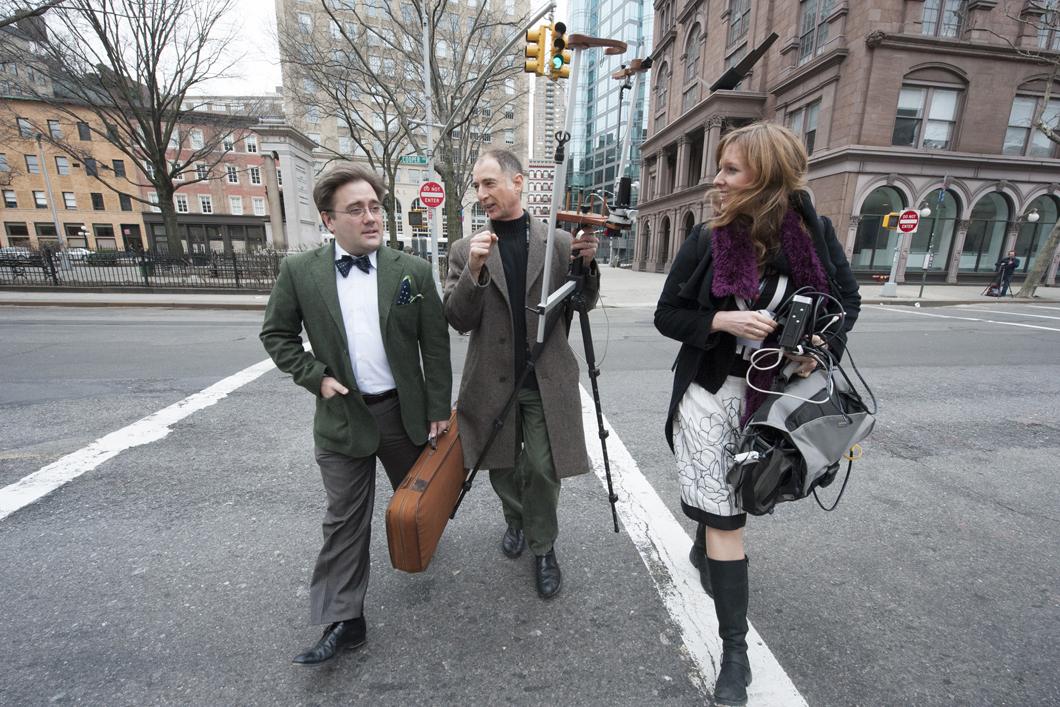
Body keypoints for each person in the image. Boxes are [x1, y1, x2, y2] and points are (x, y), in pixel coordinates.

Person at [654, 122, 861, 706]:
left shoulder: (814, 235)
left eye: (731, 170)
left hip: (773, 399)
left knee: (737, 496)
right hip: (711, 389)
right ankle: (735, 651)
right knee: (728, 521)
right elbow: (668, 315)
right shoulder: (706, 238)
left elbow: (846, 302)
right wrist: (721, 321)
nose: (716, 180)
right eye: (720, 167)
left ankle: (707, 535)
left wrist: (817, 351)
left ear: (766, 176)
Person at [260, 163, 452, 665]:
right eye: (356, 210)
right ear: (329, 220)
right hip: (342, 416)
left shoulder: (412, 270)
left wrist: (437, 408)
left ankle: (422, 541)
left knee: (424, 500)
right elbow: (276, 336)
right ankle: (346, 620)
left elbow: (434, 346)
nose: (371, 218)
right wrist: (314, 376)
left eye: (374, 207)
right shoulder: (299, 273)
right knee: (344, 521)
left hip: (401, 413)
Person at [444, 149, 599, 599]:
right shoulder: (465, 249)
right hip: (491, 382)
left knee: (543, 468)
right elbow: (457, 318)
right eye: (476, 186)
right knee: (500, 469)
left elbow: (582, 303)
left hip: (544, 379)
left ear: (518, 182)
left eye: (489, 183)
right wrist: (473, 270)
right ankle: (515, 518)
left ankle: (543, 545)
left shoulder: (559, 243)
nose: (481, 194)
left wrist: (587, 266)